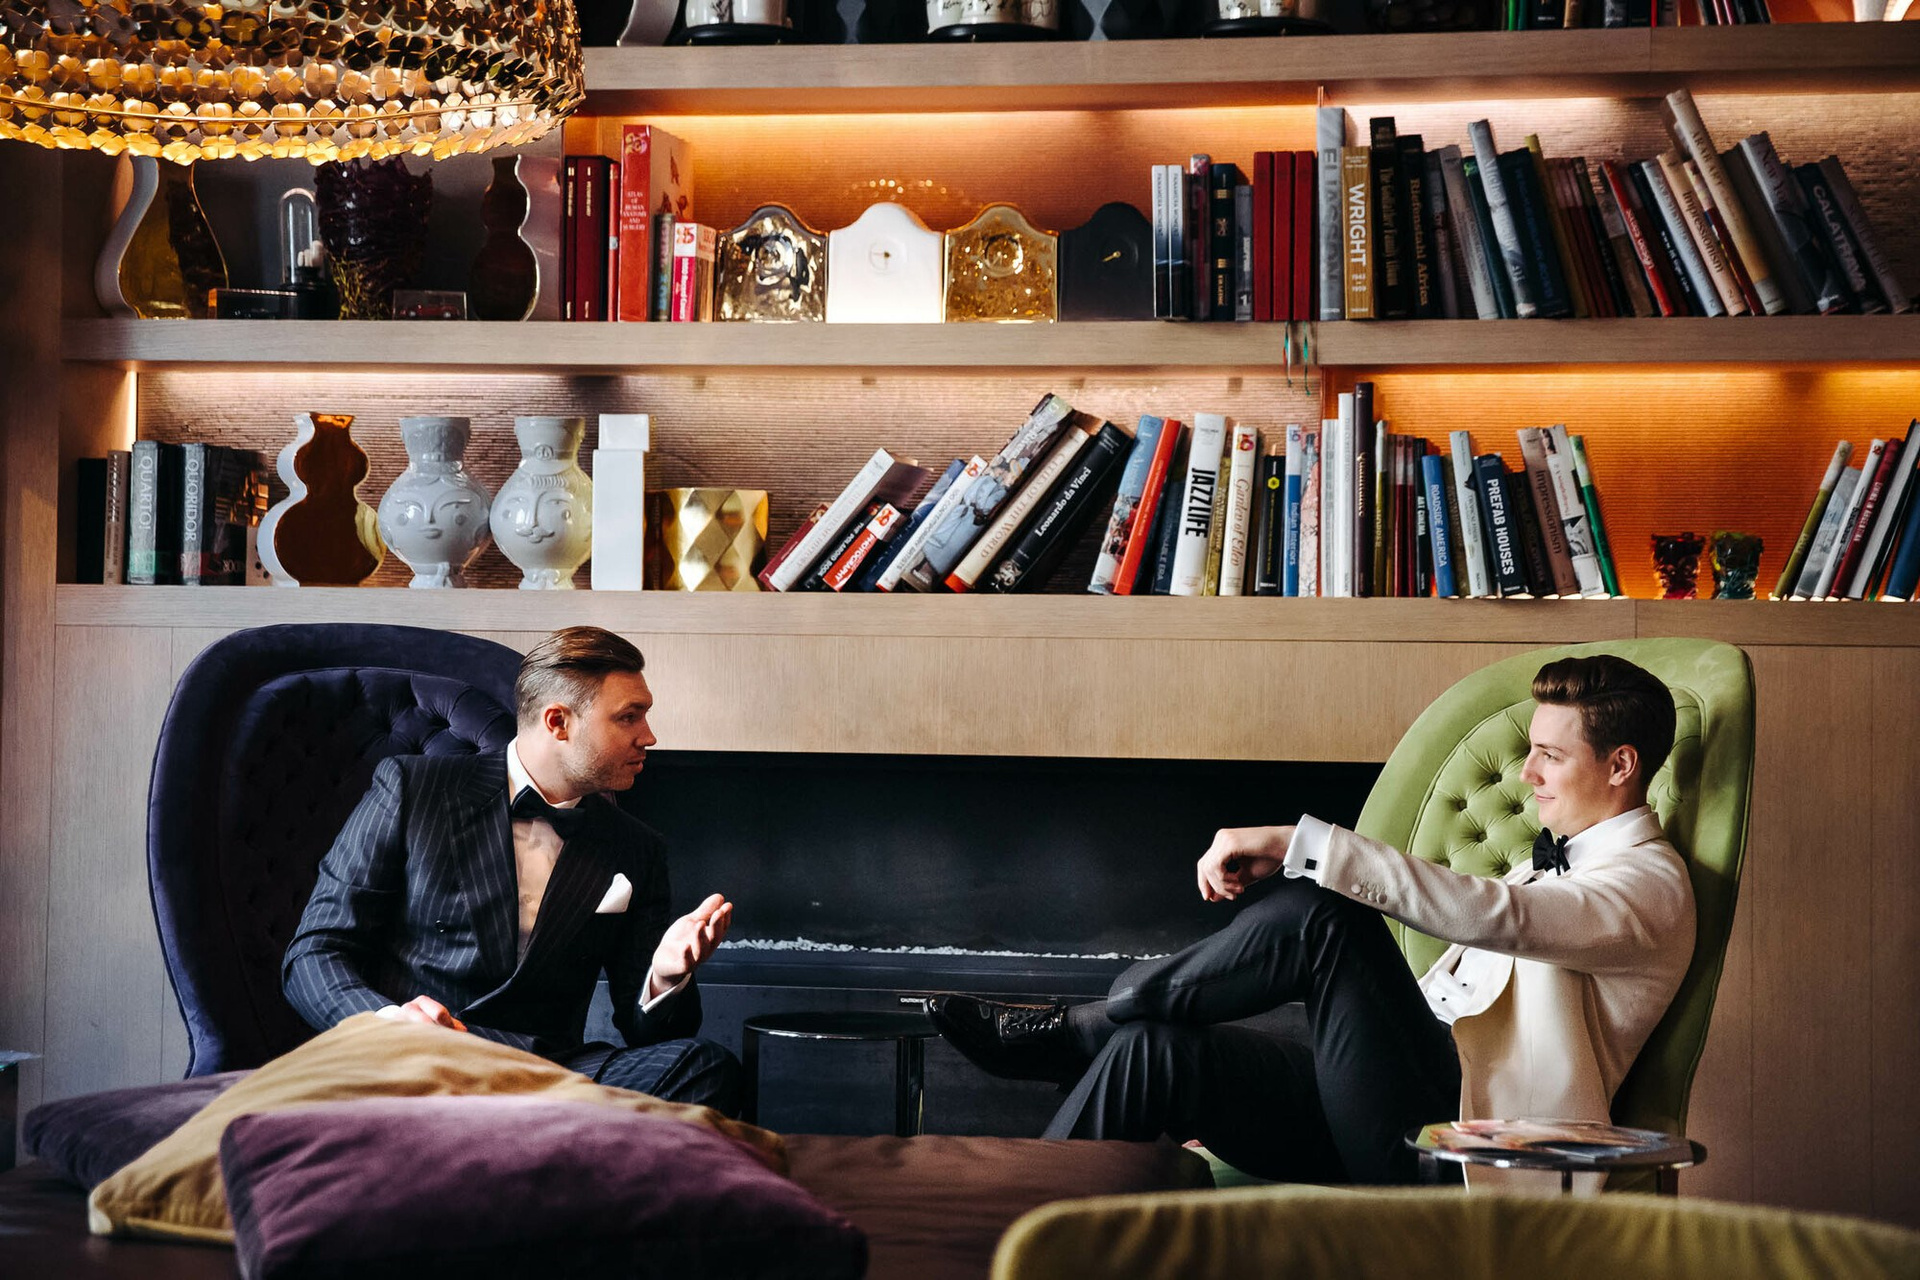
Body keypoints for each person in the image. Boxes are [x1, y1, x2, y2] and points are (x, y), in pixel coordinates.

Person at [930, 654, 1696, 1185]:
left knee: (1324, 916)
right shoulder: (1556, 863)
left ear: (1620, 765)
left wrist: (1297, 842)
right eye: (1529, 753)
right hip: (1393, 1111)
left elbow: (1500, 916)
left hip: (1466, 1156)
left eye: (1549, 756)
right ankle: (1002, 1242)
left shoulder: (1648, 887)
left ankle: (1078, 1029)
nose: (1527, 774)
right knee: (1156, 1052)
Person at [284, 625, 741, 1113]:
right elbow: (314, 953)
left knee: (705, 1067)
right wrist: (388, 1023)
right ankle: (532, 1138)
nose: (648, 736)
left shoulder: (637, 847)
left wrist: (665, 977)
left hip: (549, 1071)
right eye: (629, 717)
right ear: (558, 722)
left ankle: (509, 1132)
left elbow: (650, 1033)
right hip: (425, 1060)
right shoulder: (413, 788)